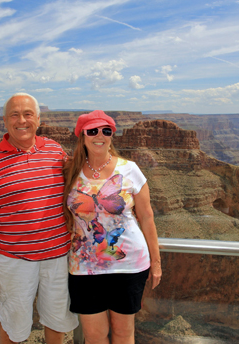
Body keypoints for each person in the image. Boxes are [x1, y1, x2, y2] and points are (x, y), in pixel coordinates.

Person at [0, 93, 78, 344]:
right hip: (13, 262)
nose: (22, 120)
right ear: (5, 121)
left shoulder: (54, 150)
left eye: (28, 114)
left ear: (38, 119)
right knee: (12, 326)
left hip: (58, 258)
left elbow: (80, 183)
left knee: (56, 322)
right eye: (14, 115)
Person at [63, 110, 162, 344]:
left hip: (128, 265)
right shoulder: (69, 171)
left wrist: (156, 264)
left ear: (112, 136)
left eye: (106, 131)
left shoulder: (130, 170)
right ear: (82, 136)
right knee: (94, 336)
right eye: (93, 130)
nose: (100, 135)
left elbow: (147, 218)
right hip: (84, 266)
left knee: (123, 333)